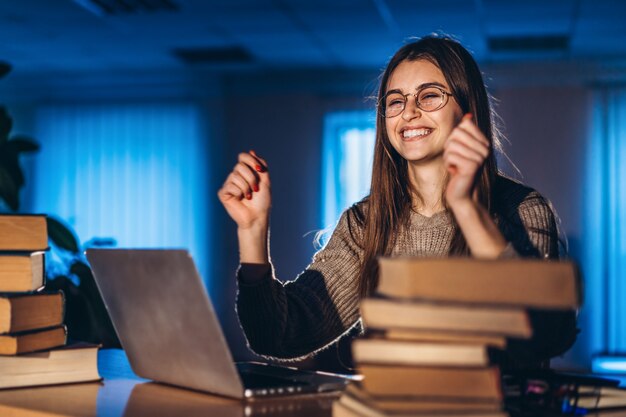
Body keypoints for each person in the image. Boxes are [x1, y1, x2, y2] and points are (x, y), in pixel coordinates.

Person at [217, 35, 578, 370]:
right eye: (395, 101)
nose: (409, 112)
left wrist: (467, 208)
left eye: (429, 95)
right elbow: (280, 336)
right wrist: (252, 230)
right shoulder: (365, 224)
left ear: (467, 107)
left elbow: (542, 335)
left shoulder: (524, 209)